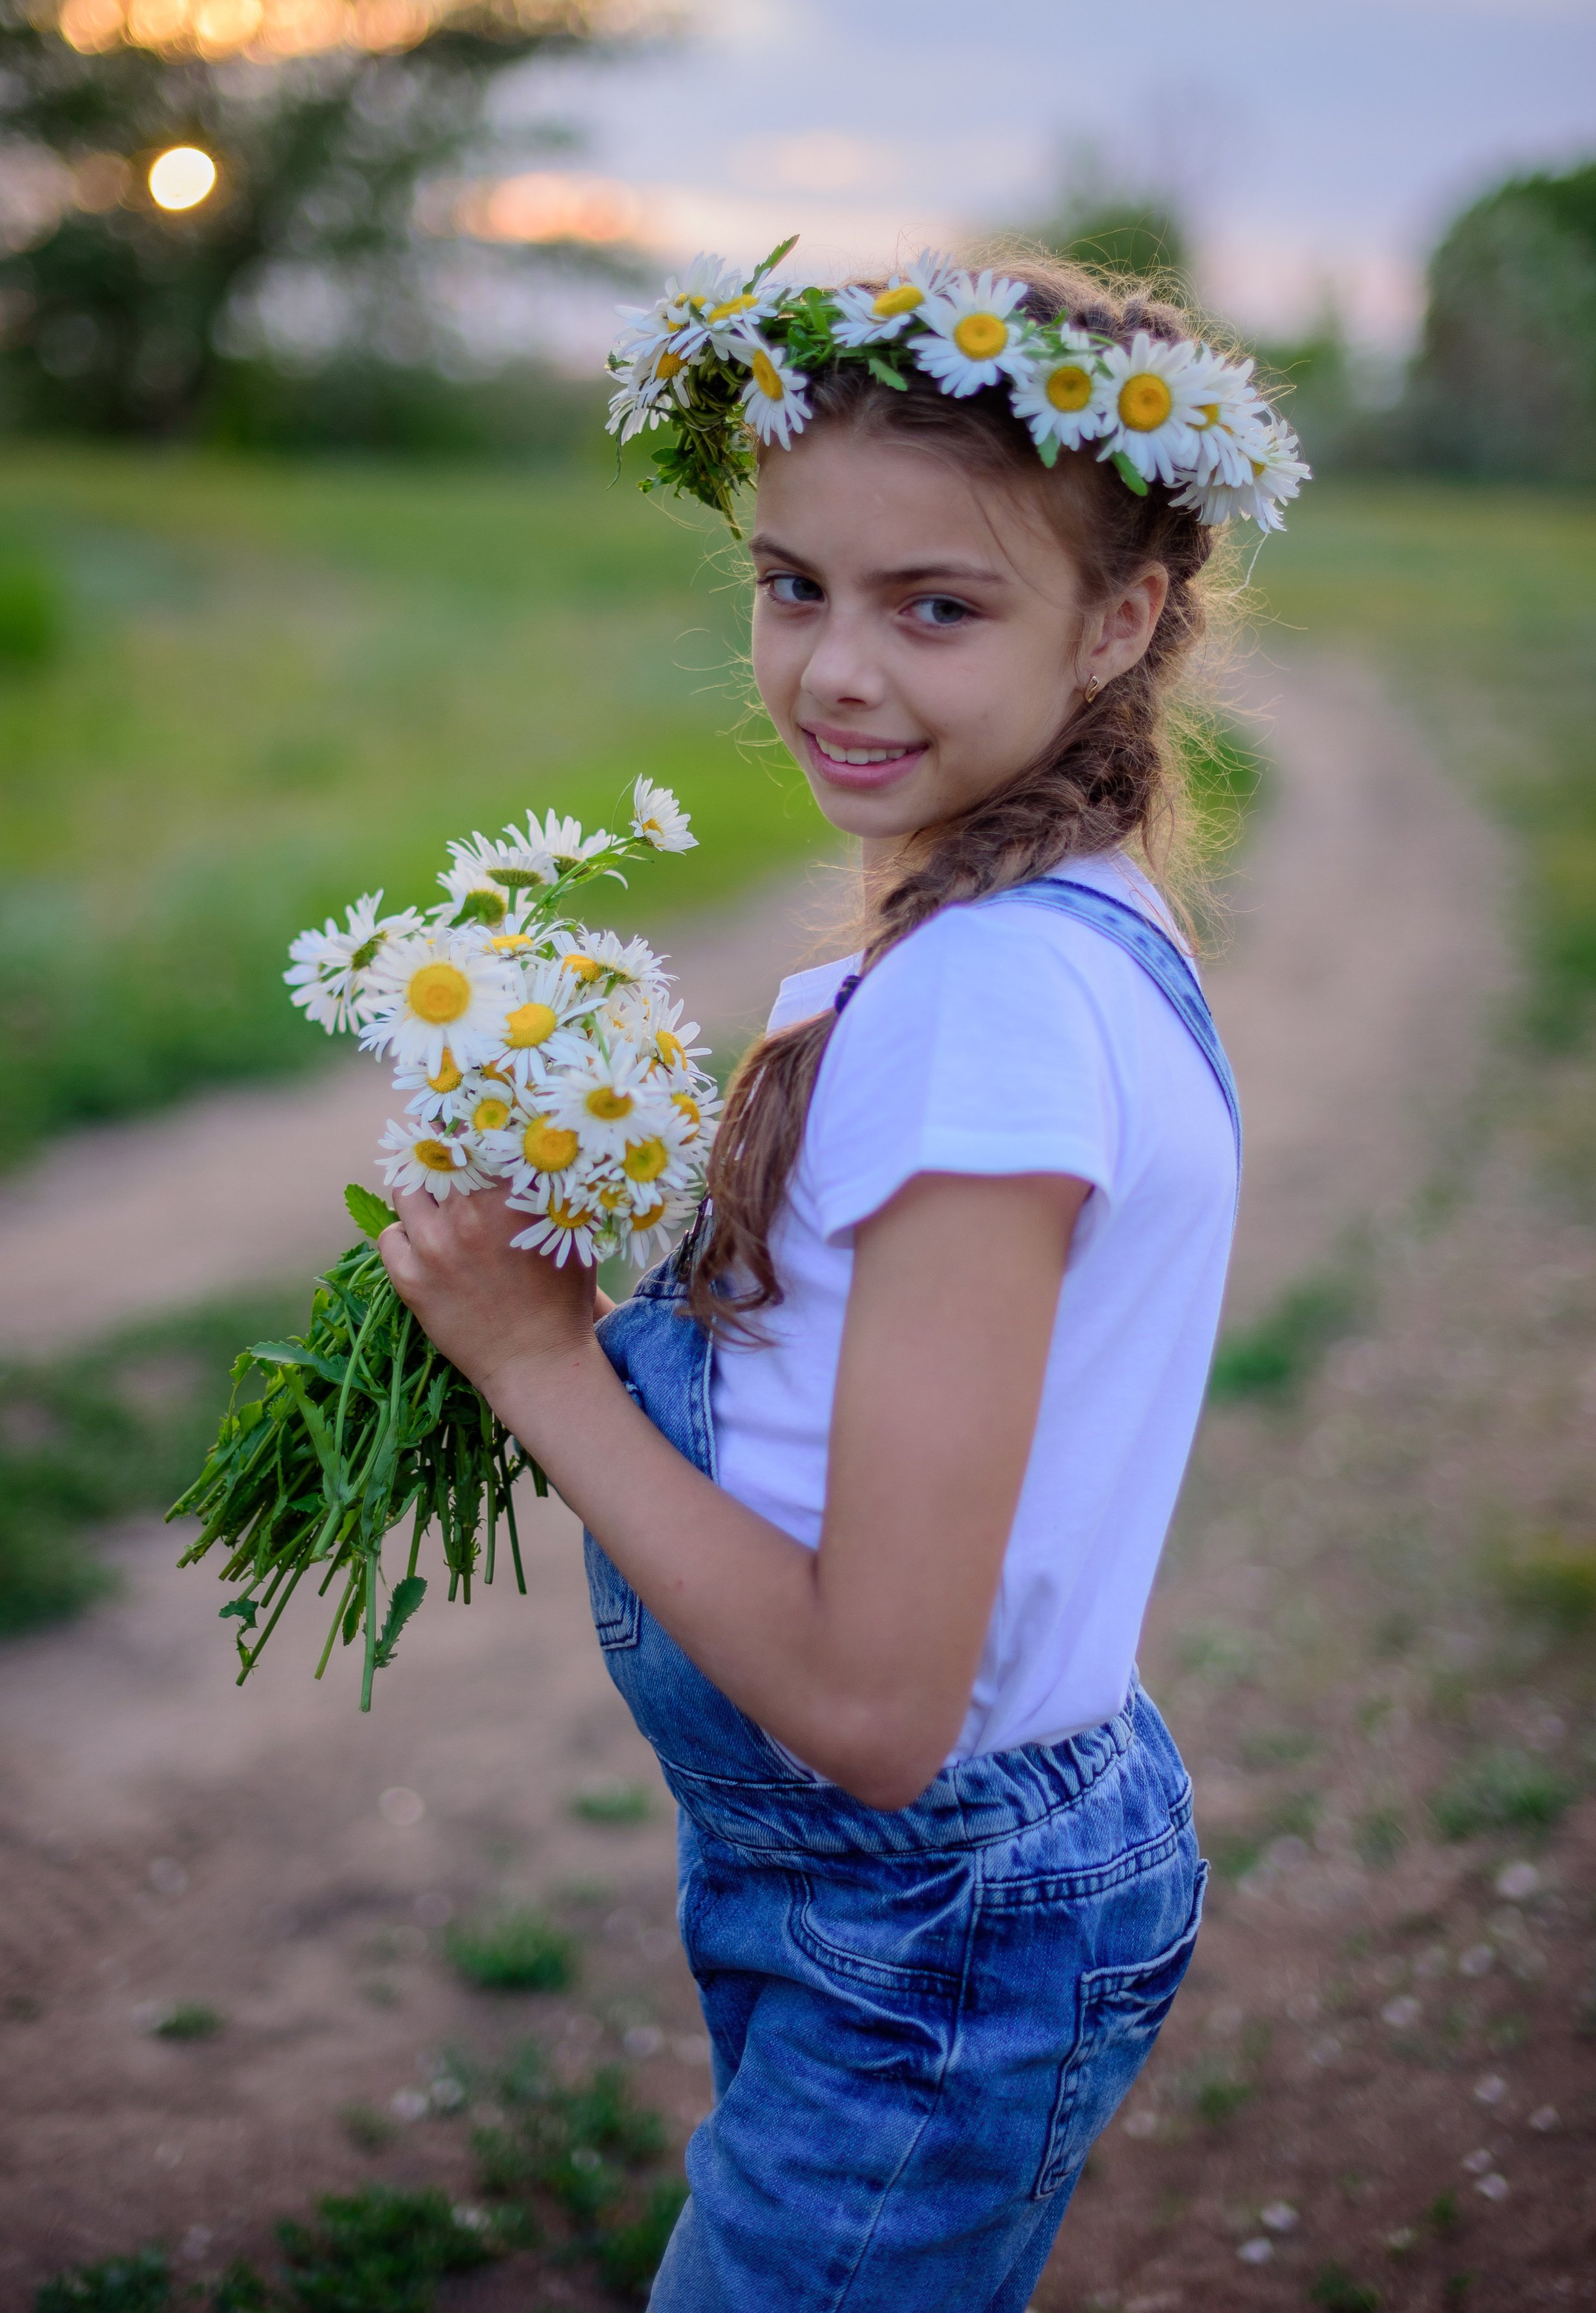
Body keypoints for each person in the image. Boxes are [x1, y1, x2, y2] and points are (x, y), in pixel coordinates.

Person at [378, 247, 1307, 2310]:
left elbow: (879, 1710)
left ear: (1124, 618)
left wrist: (539, 1359)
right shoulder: (1063, 919)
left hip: (926, 1919)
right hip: (939, 1898)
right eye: (793, 583)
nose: (834, 671)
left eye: (937, 605)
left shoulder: (989, 1003)